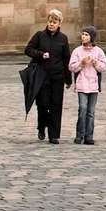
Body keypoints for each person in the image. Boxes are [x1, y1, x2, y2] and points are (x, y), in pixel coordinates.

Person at [23, 9, 71, 144]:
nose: (51, 24)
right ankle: (42, 127)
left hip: (57, 76)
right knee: (43, 104)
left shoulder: (63, 39)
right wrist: (40, 54)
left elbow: (66, 59)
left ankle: (54, 134)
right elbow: (28, 50)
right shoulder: (39, 36)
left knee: (56, 105)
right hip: (42, 76)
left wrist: (68, 79)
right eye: (50, 21)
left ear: (59, 24)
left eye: (54, 22)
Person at [69, 26, 106, 144]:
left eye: (86, 34)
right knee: (83, 109)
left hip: (93, 85)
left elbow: (103, 67)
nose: (83, 36)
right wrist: (81, 63)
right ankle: (79, 134)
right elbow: (71, 67)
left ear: (92, 37)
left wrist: (95, 62)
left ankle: (89, 136)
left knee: (91, 112)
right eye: (83, 34)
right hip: (82, 84)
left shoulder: (98, 51)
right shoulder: (77, 51)